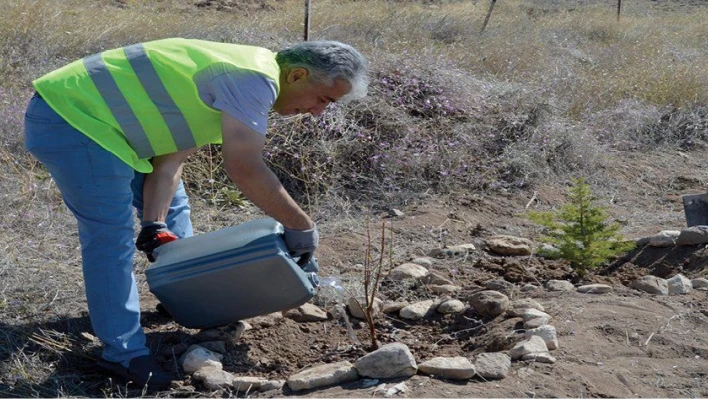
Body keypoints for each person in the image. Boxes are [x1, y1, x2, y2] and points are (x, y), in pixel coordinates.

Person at [23, 38, 368, 390]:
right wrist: (301, 225)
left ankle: (186, 295)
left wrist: (154, 223)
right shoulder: (253, 79)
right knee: (110, 239)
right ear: (297, 75)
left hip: (109, 126)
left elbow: (170, 158)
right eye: (323, 99)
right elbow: (244, 167)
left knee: (175, 206)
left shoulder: (245, 75)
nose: (318, 112)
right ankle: (123, 355)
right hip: (73, 120)